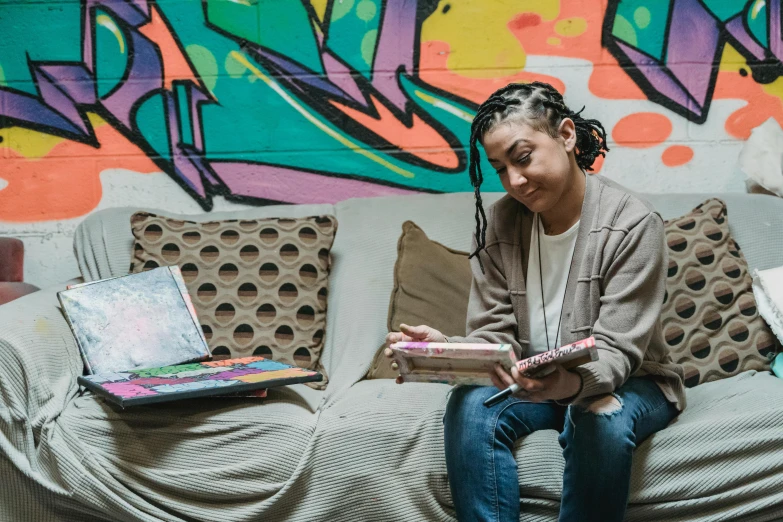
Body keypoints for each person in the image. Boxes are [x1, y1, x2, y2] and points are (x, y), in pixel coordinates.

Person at [384, 82, 686, 522]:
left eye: (522, 158)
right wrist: (450, 349)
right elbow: (494, 333)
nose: (515, 181)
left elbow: (618, 352)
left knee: (600, 419)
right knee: (468, 405)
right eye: (500, 168)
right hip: (532, 380)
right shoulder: (501, 221)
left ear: (566, 135)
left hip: (634, 380)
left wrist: (570, 385)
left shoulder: (633, 224)